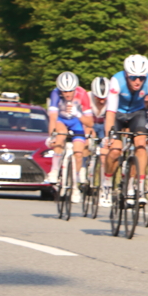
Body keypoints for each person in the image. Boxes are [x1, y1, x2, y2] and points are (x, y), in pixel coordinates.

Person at [101, 55, 148, 208]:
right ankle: (107, 183)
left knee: (141, 144)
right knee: (115, 150)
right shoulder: (116, 81)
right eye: (133, 77)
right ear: (127, 75)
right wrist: (109, 135)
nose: (137, 81)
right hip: (118, 114)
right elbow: (110, 112)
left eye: (141, 78)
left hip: (137, 113)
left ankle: (138, 188)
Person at [46, 71, 95, 203]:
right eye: (64, 91)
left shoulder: (82, 94)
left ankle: (75, 185)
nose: (67, 94)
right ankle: (55, 170)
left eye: (70, 91)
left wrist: (78, 114)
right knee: (60, 136)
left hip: (76, 122)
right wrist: (52, 136)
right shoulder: (55, 94)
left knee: (78, 153)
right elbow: (52, 118)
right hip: (61, 121)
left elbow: (90, 122)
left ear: (75, 89)